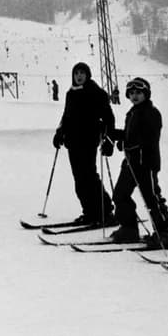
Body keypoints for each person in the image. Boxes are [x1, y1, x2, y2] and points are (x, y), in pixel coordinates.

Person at [106, 78, 168, 247]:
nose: (135, 96)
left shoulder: (151, 112)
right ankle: (129, 229)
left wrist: (129, 143)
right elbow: (131, 136)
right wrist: (116, 135)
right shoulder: (133, 112)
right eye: (132, 93)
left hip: (146, 163)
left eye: (138, 93)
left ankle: (164, 233)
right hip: (130, 162)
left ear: (146, 94)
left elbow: (149, 138)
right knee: (120, 194)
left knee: (152, 198)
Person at [52, 62, 114, 224]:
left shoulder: (96, 92)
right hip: (73, 142)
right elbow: (66, 116)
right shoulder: (70, 94)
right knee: (79, 180)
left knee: (89, 177)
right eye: (76, 73)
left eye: (82, 73)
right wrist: (59, 133)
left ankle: (105, 210)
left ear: (88, 75)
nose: (79, 76)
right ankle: (89, 211)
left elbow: (108, 117)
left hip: (88, 140)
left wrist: (108, 138)